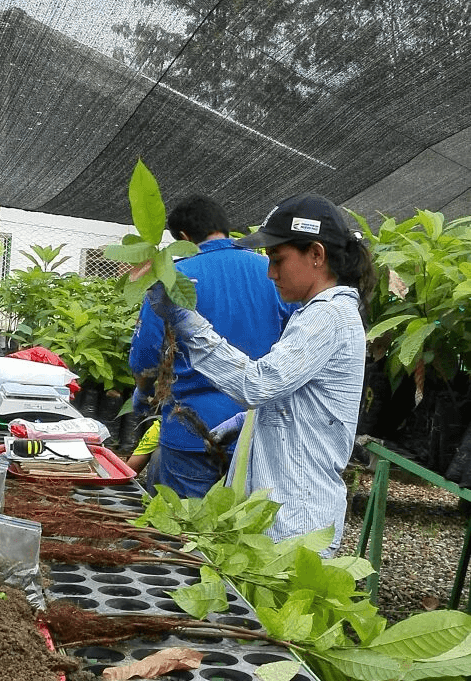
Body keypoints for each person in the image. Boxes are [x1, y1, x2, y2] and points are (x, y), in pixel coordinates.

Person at [147, 192, 376, 554]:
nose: (270, 272)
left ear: (316, 255)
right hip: (287, 512)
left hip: (295, 522)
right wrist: (245, 420)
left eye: (278, 259)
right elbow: (297, 394)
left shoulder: (327, 317)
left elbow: (258, 383)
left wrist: (187, 322)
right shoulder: (316, 312)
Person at [129, 194, 295, 497]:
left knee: (182, 531)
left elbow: (146, 358)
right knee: (245, 526)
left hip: (191, 427)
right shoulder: (275, 274)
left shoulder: (174, 277)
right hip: (260, 430)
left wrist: (143, 393)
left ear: (184, 237)